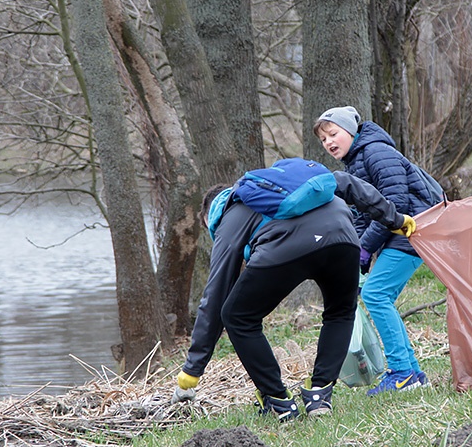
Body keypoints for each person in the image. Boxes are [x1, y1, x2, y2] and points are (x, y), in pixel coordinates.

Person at [176, 167, 415, 421]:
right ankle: (320, 396)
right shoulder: (289, 182)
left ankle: (279, 401)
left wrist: (193, 369)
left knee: (237, 316)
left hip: (288, 248)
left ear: (209, 214)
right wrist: (395, 219)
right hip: (343, 237)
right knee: (340, 311)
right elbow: (346, 182)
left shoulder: (230, 214)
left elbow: (215, 294)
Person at [313, 106, 436, 396]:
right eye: (323, 139)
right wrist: (353, 256)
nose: (329, 142)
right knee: (381, 296)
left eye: (333, 134)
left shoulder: (376, 152)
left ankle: (403, 373)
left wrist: (366, 247)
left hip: (411, 230)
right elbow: (363, 216)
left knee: (376, 295)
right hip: (398, 233)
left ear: (351, 131)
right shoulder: (355, 162)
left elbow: (396, 203)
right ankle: (413, 373)